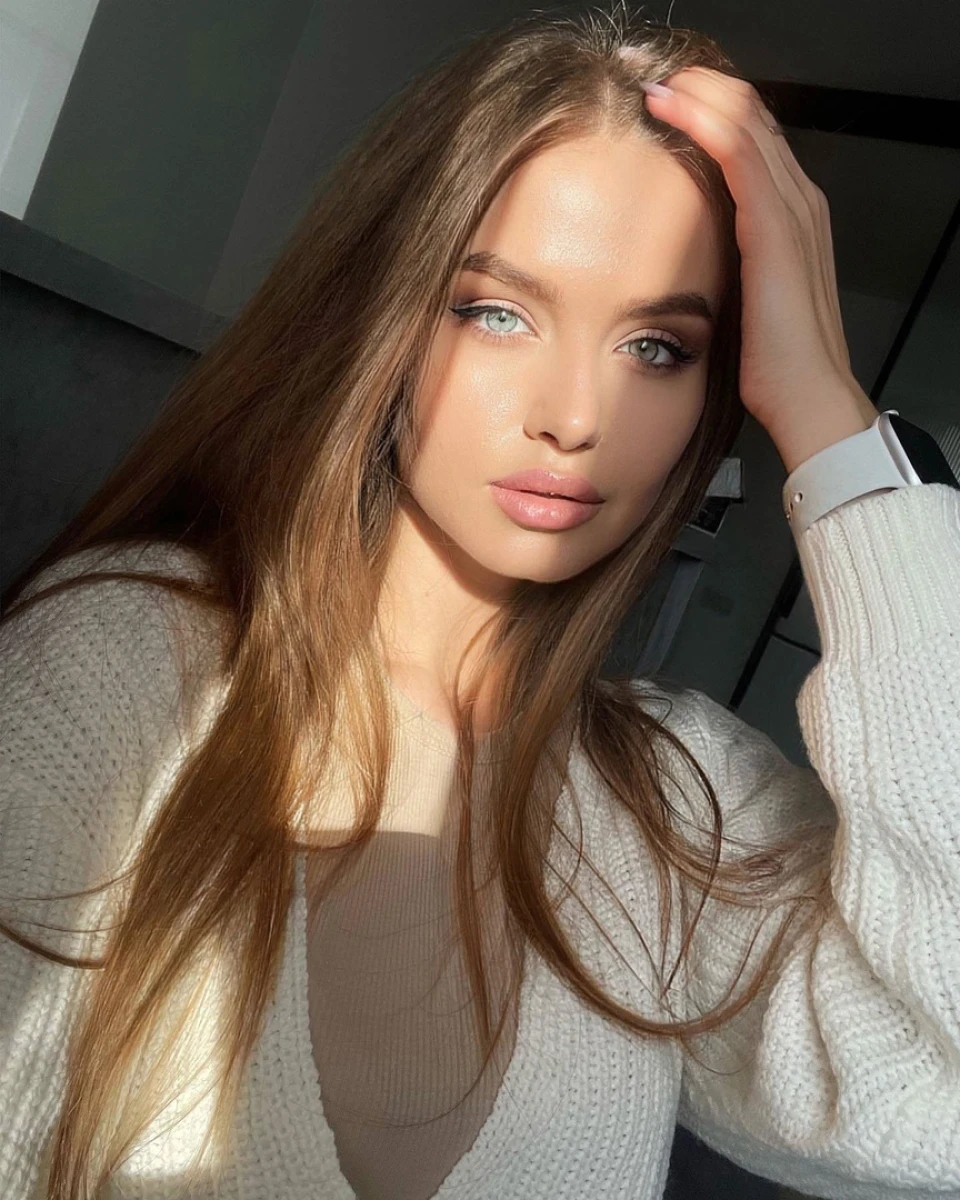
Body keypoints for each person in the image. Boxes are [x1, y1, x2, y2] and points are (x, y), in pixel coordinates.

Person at [2, 7, 959, 1200]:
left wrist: (832, 416)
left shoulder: (673, 806)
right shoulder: (126, 666)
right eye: (496, 312)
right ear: (376, 311)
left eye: (659, 348)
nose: (577, 416)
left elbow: (939, 1092)